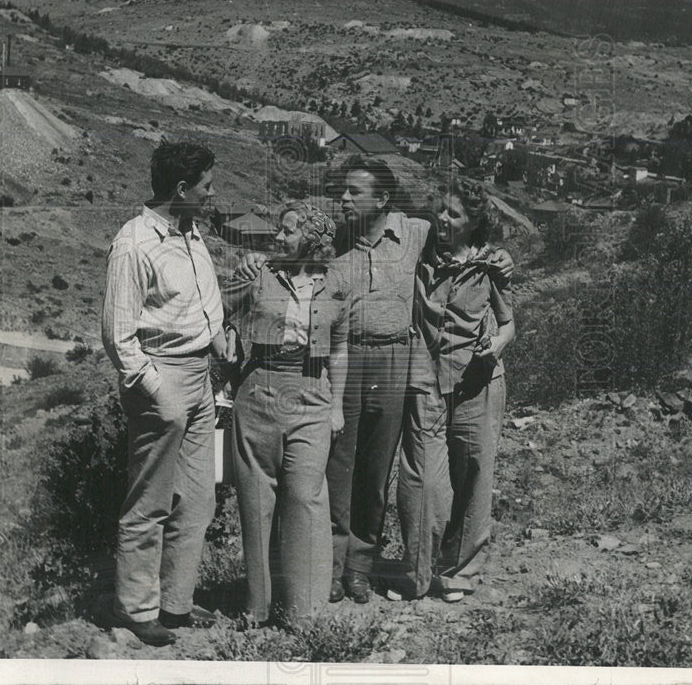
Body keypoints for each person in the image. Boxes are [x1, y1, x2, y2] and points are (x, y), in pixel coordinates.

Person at [235, 156, 430, 604]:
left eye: (354, 192)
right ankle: (333, 570)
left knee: (377, 469)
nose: (342, 198)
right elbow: (282, 268)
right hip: (340, 361)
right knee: (336, 469)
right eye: (342, 191)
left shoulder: (414, 233)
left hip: (394, 358)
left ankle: (361, 565)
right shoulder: (329, 242)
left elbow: (456, 242)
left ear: (382, 199)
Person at [100, 140, 227, 646]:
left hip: (200, 379)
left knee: (198, 499)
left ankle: (176, 603)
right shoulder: (134, 244)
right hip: (162, 380)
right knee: (149, 501)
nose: (213, 194)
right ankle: (136, 609)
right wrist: (158, 391)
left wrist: (219, 348)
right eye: (207, 186)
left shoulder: (191, 232)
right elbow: (118, 334)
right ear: (181, 189)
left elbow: (202, 301)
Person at [220, 202, 349, 626]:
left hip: (312, 392)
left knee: (304, 496)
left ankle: (303, 611)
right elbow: (216, 308)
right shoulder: (259, 273)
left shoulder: (336, 283)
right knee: (256, 503)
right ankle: (257, 608)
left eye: (288, 231)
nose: (278, 237)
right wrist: (228, 346)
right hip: (258, 390)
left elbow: (341, 349)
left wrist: (336, 408)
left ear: (310, 240)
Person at [393, 175, 516, 602]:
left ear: (473, 221)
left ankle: (459, 571)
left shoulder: (490, 266)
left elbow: (508, 324)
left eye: (455, 213)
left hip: (478, 384)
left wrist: (494, 348)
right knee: (422, 479)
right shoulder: (420, 256)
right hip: (426, 382)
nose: (443, 219)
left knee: (474, 477)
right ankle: (416, 572)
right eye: (440, 210)